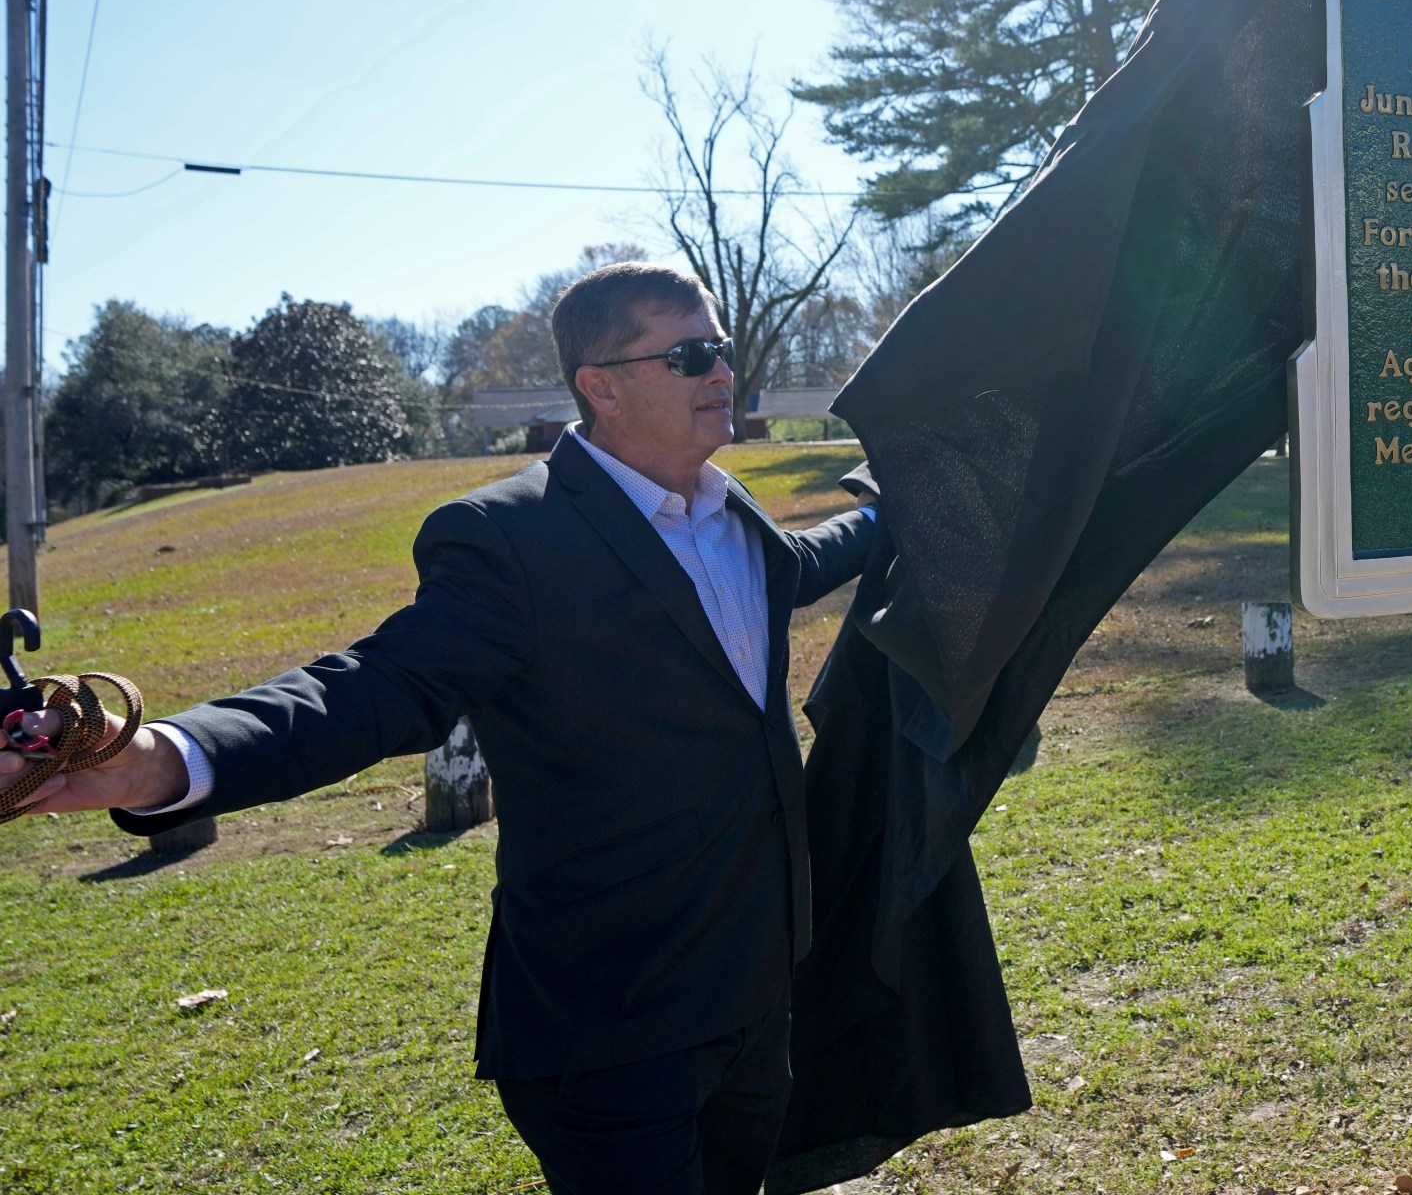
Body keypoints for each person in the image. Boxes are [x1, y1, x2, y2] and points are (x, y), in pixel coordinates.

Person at [0, 263, 879, 1195]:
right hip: (613, 1030)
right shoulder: (510, 538)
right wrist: (166, 757)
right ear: (601, 385)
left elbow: (803, 563)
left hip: (756, 992)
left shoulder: (729, 510)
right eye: (691, 355)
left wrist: (890, 499)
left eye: (722, 350)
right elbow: (377, 684)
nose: (721, 373)